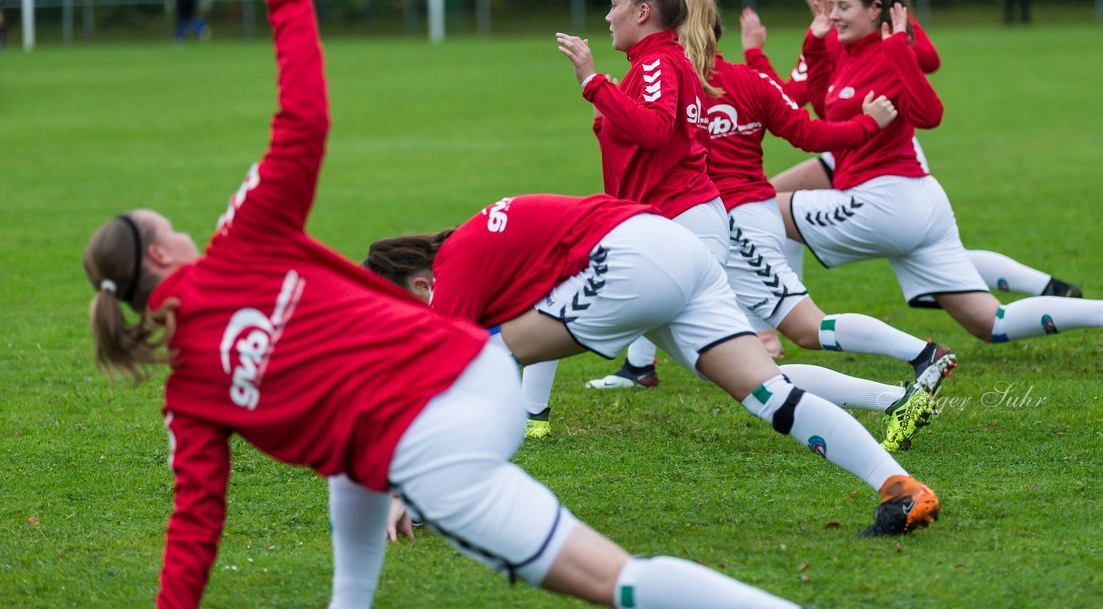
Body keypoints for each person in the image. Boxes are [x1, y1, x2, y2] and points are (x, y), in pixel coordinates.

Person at [82, 0, 797, 609]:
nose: (184, 231)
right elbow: (302, 122)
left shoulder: (189, 396)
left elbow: (193, 530)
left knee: (616, 582)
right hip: (459, 374)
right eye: (169, 227)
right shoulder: (240, 242)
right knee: (352, 443)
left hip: (441, 427)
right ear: (161, 255)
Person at [365, 192, 943, 537]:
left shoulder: (455, 269)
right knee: (770, 395)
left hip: (630, 258)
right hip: (673, 248)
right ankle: (900, 488)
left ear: (420, 283)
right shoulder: (473, 243)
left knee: (486, 359)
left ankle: (438, 499)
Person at [775, 0, 1103, 357]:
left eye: (843, 6)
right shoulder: (847, 52)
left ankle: (759, 332)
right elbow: (826, 108)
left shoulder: (890, 52)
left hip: (885, 200)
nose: (832, 14)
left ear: (875, 10)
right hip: (913, 202)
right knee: (990, 323)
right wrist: (814, 43)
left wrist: (900, 47)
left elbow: (930, 113)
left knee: (761, 206)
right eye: (831, 5)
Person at [746, 0, 1084, 302]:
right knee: (772, 206)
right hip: (861, 143)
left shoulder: (836, 31)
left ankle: (780, 319)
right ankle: (1047, 287)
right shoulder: (840, 27)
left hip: (871, 147)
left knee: (766, 208)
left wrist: (756, 55)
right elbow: (923, 61)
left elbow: (789, 97)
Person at [681, 0, 958, 396]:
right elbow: (804, 123)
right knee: (716, 354)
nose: (611, 17)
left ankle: (914, 367)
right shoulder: (728, 80)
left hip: (740, 222)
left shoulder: (679, 86)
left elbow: (807, 123)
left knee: (801, 334)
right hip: (727, 218)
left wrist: (600, 98)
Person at [555, 0, 736, 395]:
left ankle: (531, 415)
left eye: (615, 4)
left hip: (682, 225)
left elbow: (654, 131)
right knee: (734, 369)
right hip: (678, 223)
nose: (608, 15)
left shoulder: (656, 63)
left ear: (642, 12)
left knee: (557, 300)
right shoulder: (655, 63)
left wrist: (591, 82)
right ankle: (889, 394)